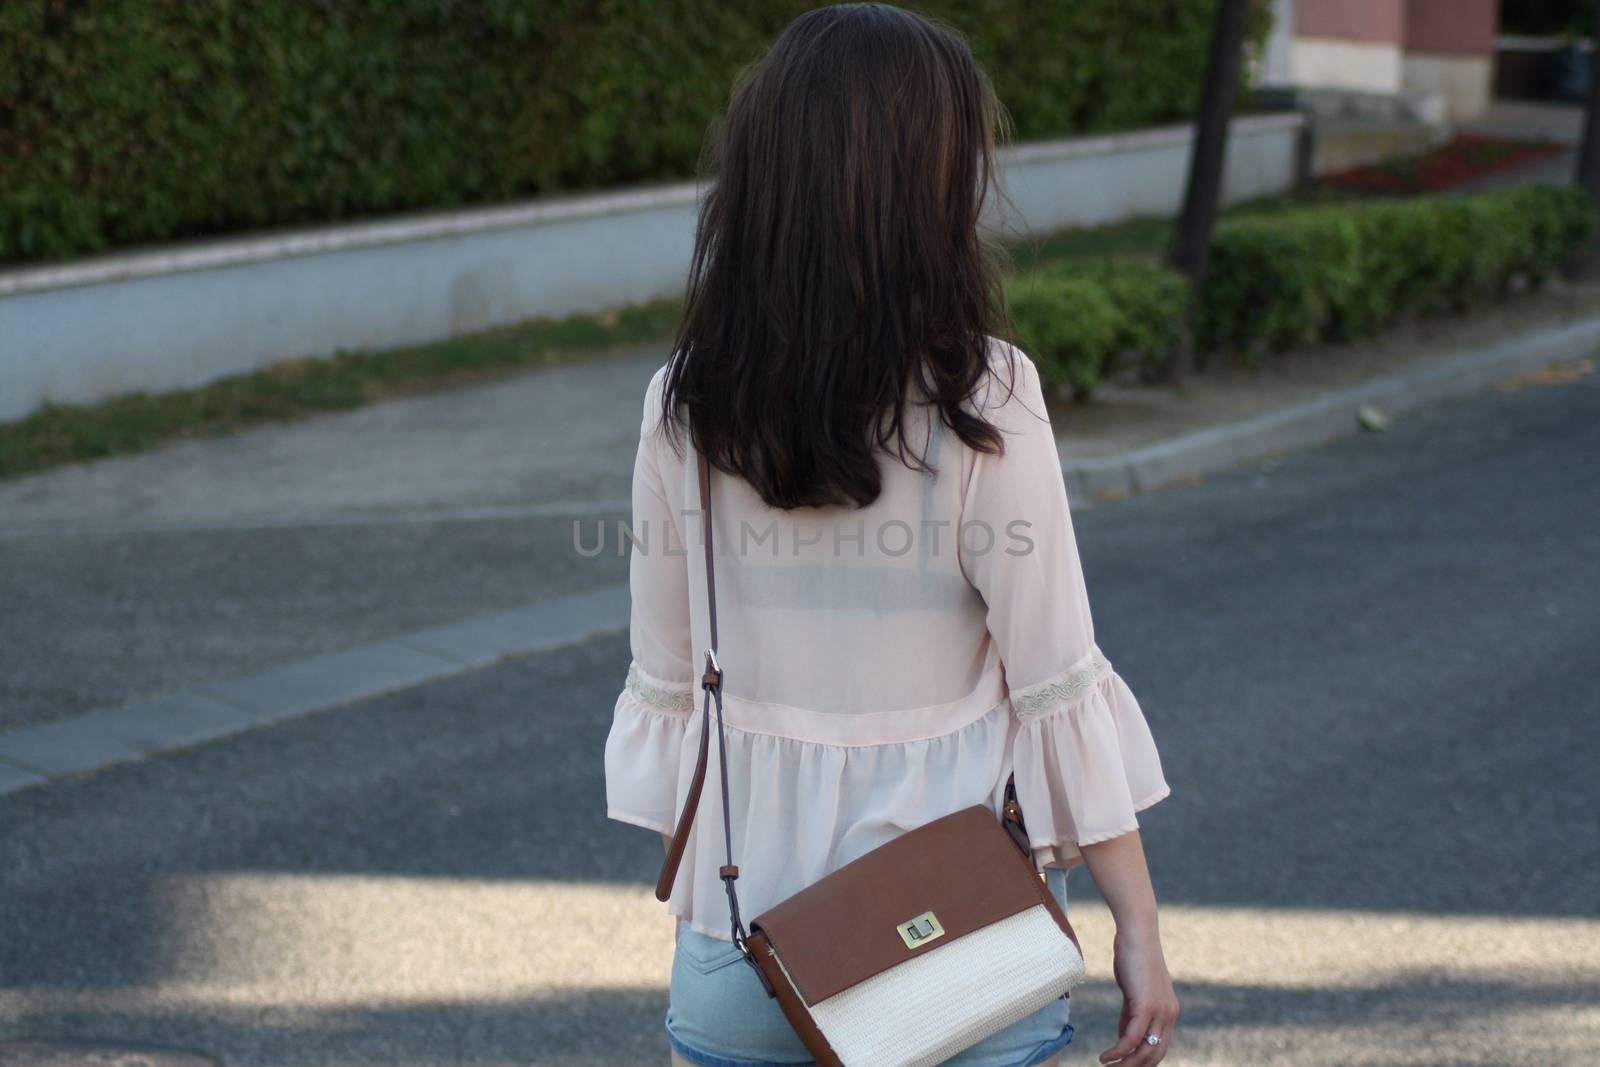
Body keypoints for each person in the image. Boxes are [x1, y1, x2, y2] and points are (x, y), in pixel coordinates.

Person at [602, 4, 1178, 1065]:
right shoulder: (984, 396)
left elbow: (675, 683)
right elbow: (1055, 680)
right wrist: (1135, 926)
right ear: (929, 186)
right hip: (960, 938)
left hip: (747, 946)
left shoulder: (689, 404)